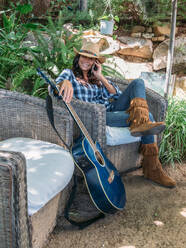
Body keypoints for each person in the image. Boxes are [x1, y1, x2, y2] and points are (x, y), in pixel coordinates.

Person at [54, 41, 176, 188]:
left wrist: (100, 76)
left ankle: (141, 122)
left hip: (111, 109)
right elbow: (55, 87)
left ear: (95, 62)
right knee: (149, 117)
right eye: (83, 57)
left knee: (137, 83)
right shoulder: (69, 74)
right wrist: (64, 83)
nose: (86, 61)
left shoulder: (96, 78)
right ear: (78, 57)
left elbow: (117, 94)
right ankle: (153, 169)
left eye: (91, 59)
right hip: (96, 117)